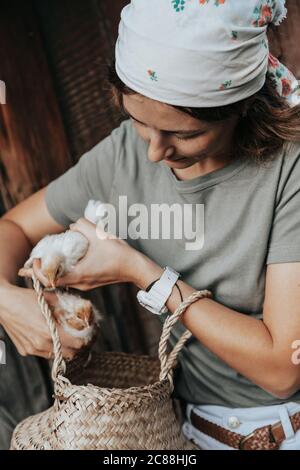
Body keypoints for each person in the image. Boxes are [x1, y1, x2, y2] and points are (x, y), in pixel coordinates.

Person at [1, 0, 300, 450]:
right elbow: (13, 227)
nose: (154, 154)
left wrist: (142, 272)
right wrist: (7, 299)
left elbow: (281, 370)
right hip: (188, 433)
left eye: (184, 134)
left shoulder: (289, 170)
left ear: (239, 107)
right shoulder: (123, 154)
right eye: (139, 121)